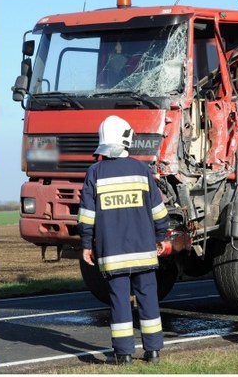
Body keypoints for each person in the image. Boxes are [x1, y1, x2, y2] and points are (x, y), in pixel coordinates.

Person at [78, 115, 169, 365]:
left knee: (119, 301)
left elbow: (87, 216)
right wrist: (161, 236)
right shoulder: (141, 170)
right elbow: (158, 211)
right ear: (125, 139)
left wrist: (87, 244)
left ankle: (124, 354)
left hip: (113, 253)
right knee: (148, 298)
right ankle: (153, 351)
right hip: (143, 250)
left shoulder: (94, 173)